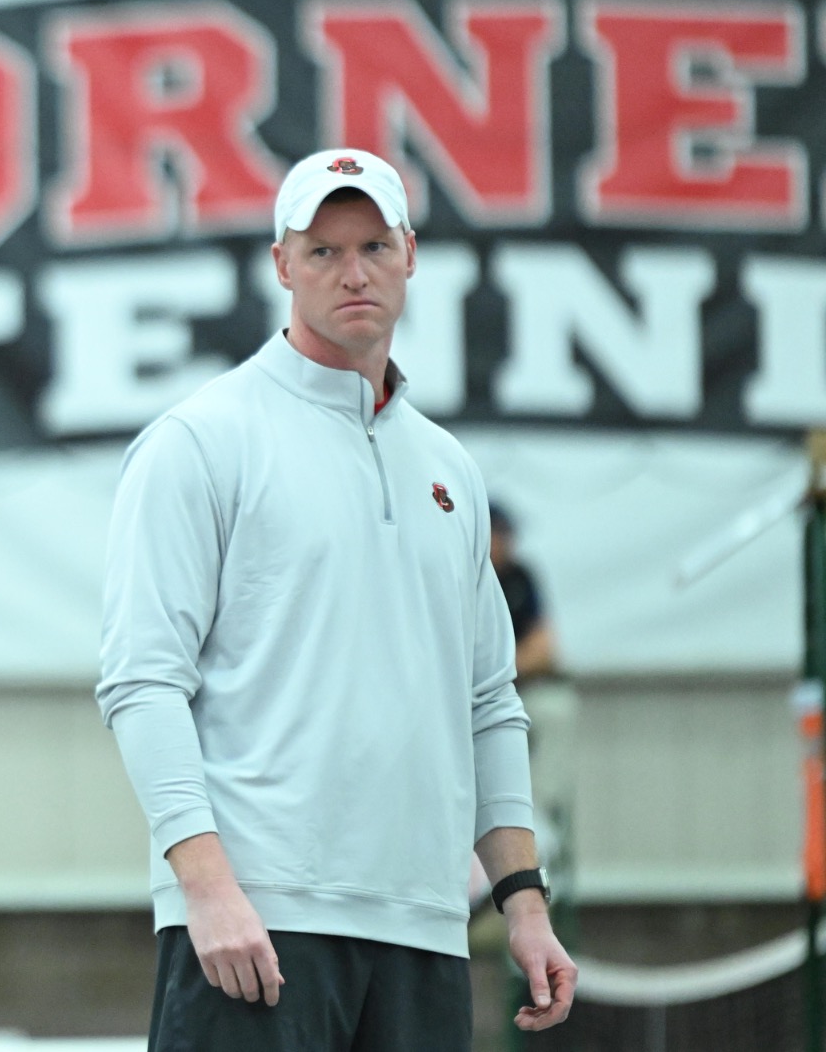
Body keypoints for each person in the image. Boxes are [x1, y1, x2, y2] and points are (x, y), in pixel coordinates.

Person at [97, 147, 577, 1051]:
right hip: (254, 926)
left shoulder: (450, 471)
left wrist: (523, 902)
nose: (352, 273)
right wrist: (207, 886)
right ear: (282, 265)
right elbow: (141, 681)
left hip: (425, 929)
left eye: (372, 246)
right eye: (322, 251)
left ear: (410, 256)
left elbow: (489, 702)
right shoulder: (201, 442)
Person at [489, 504, 560, 683]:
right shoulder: (461, 579)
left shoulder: (520, 577)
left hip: (513, 675)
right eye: (499, 533)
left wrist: (506, 669)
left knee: (548, 705)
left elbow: (541, 639)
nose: (505, 541)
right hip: (466, 681)